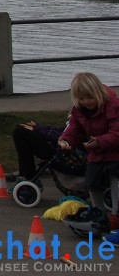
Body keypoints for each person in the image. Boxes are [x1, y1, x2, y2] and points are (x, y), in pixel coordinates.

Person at [57, 72, 119, 212]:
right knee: (92, 182)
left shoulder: (113, 106)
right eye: (82, 98)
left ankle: (116, 214)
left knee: (116, 179)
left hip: (115, 153)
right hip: (97, 153)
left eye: (90, 97)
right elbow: (74, 128)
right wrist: (66, 140)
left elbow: (117, 133)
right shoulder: (79, 110)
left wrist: (100, 141)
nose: (86, 102)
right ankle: (98, 212)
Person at [10, 120, 63, 188]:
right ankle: (26, 177)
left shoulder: (77, 119)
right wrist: (38, 128)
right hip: (53, 144)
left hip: (57, 149)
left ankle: (28, 178)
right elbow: (60, 131)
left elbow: (61, 136)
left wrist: (38, 129)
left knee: (19, 132)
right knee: (20, 128)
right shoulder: (75, 117)